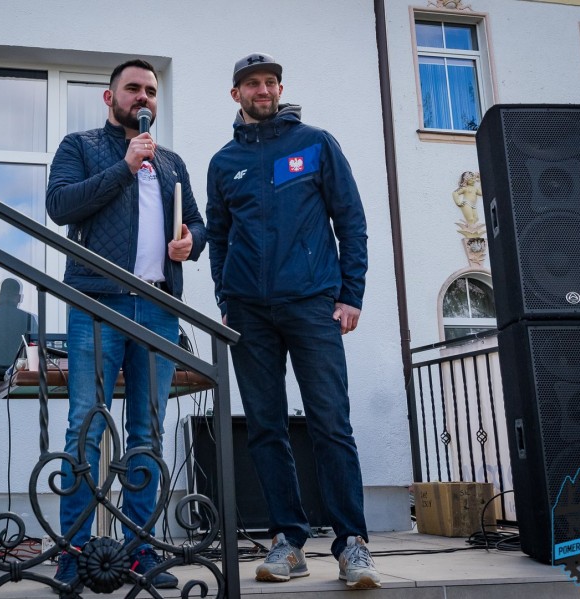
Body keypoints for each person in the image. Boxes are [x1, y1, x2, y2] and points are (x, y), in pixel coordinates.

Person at [206, 53, 380, 590]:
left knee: (330, 422)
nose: (262, 90)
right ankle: (288, 540)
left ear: (280, 89)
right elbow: (219, 235)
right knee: (265, 427)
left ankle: (352, 543)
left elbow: (351, 220)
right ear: (235, 94)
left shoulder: (315, 144)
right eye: (251, 83)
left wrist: (351, 295)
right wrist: (225, 296)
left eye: (270, 82)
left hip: (312, 304)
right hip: (249, 312)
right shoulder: (224, 162)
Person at [46, 59, 205, 589]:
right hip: (98, 304)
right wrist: (125, 165)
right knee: (86, 426)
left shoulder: (172, 162)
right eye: (133, 89)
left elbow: (197, 223)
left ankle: (140, 552)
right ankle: (74, 554)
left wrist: (191, 243)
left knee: (147, 432)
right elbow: (60, 205)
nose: (143, 98)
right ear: (109, 97)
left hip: (158, 308)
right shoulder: (81, 146)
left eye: (151, 91)